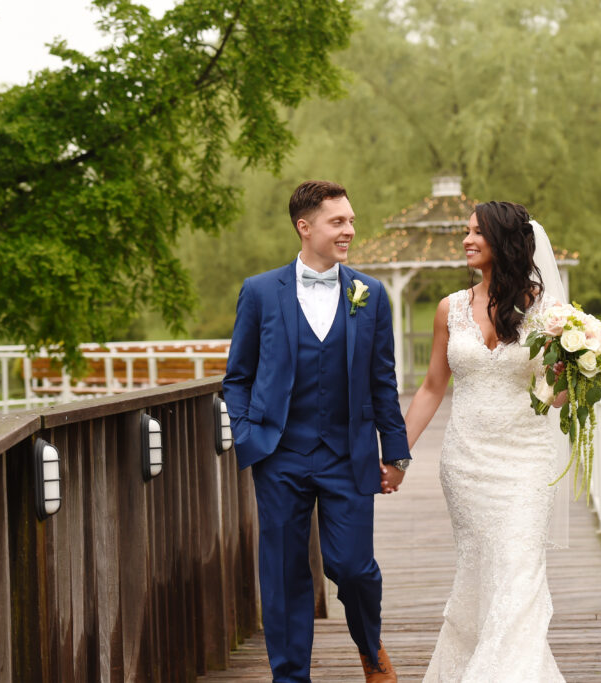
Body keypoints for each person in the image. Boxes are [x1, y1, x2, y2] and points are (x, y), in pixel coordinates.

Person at [222, 180, 412, 683]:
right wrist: (246, 434)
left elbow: (383, 381)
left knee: (352, 567)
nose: (349, 229)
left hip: (347, 454)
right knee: (284, 573)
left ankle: (370, 649)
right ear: (305, 228)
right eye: (338, 221)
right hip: (278, 453)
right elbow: (237, 376)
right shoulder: (261, 291)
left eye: (350, 220)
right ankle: (290, 677)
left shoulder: (369, 294)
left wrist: (396, 453)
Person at [402, 201, 570, 682]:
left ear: (506, 242)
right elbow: (433, 387)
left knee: (518, 571)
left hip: (526, 461)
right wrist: (396, 453)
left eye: (478, 233)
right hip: (466, 462)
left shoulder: (548, 311)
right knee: (481, 579)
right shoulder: (449, 309)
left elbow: (555, 399)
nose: (467, 240)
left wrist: (571, 373)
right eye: (466, 232)